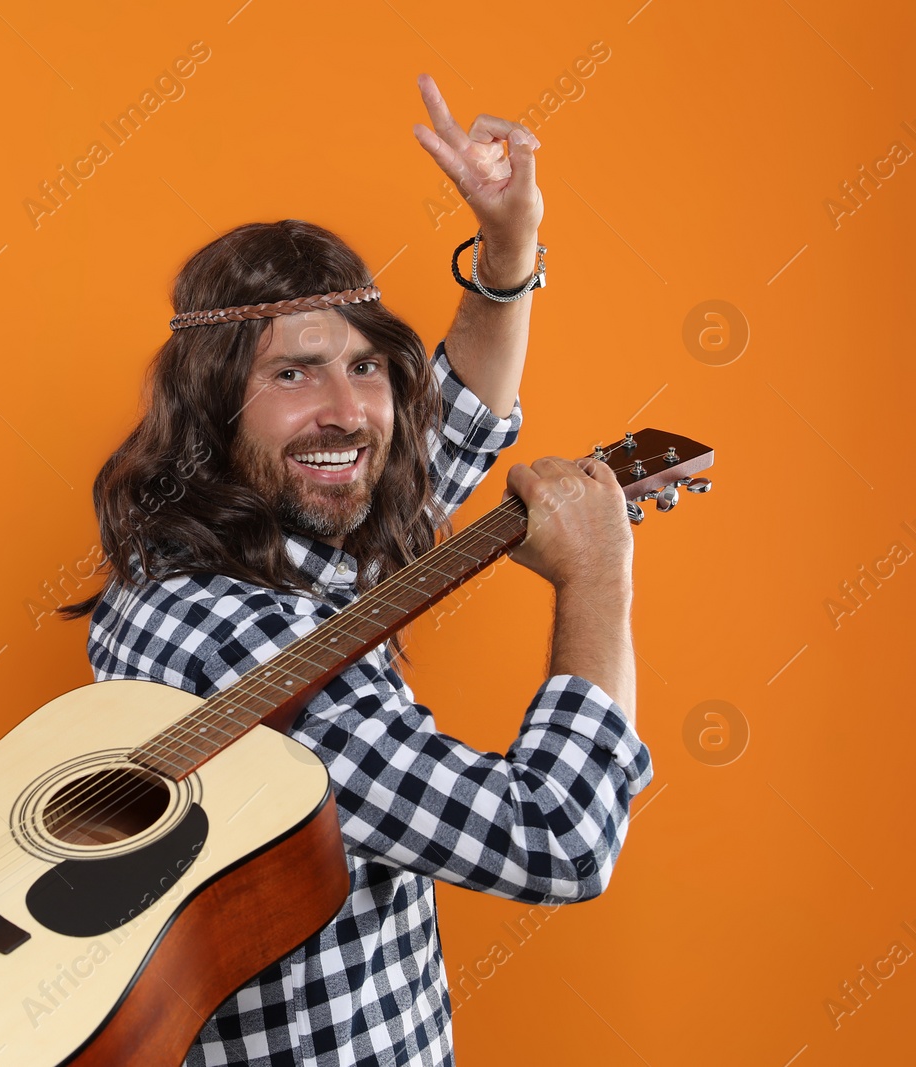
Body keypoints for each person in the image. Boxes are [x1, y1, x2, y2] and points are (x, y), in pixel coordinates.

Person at [56, 74, 653, 1066]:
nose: (348, 409)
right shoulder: (252, 638)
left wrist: (507, 248)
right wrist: (598, 575)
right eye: (293, 372)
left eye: (364, 365)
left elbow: (443, 436)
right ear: (212, 404)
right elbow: (556, 835)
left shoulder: (213, 544)